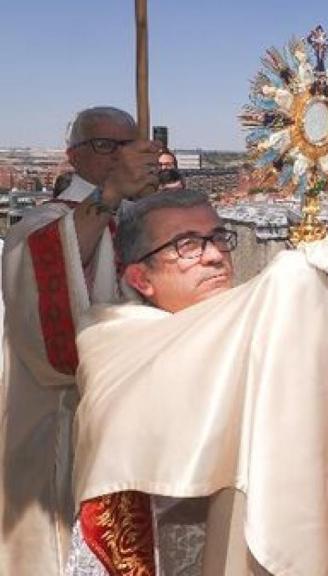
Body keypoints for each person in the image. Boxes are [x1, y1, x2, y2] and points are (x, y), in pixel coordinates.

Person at [71, 190, 328, 575]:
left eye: (219, 237)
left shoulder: (255, 327)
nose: (216, 255)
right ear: (141, 278)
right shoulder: (112, 336)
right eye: (187, 245)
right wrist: (296, 274)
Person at [0, 106, 161, 575]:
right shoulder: (40, 224)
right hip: (58, 415)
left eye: (129, 144)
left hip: (129, 415)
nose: (119, 155)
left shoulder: (139, 218)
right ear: (73, 156)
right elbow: (47, 264)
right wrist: (111, 195)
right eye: (104, 145)